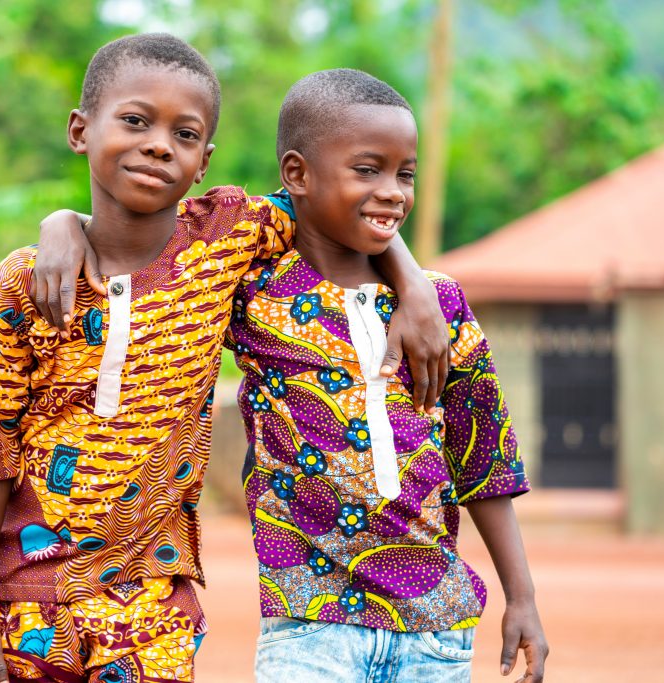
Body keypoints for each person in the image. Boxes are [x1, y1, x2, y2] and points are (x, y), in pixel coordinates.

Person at [0, 35, 447, 683]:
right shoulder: (19, 286)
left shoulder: (227, 238)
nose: (159, 144)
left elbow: (340, 203)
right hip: (27, 600)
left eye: (183, 134)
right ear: (80, 129)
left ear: (204, 161)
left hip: (154, 598)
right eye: (134, 121)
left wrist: (412, 281)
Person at [226, 70, 548, 683]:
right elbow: (165, 243)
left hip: (436, 630)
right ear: (297, 175)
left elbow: (484, 459)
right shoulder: (254, 290)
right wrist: (64, 222)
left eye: (405, 174)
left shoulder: (443, 306)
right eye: (367, 169)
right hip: (308, 624)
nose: (393, 192)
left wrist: (523, 596)